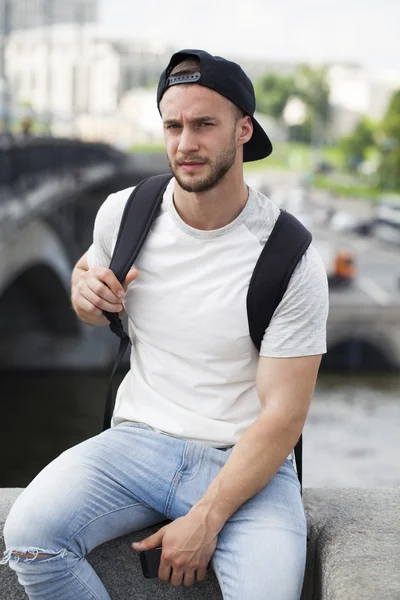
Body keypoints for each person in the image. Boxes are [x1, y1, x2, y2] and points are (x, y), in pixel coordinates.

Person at [2, 49, 329, 599]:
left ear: (244, 129)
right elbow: (89, 277)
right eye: (173, 125)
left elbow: (284, 415)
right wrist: (84, 293)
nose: (185, 143)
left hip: (248, 464)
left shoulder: (289, 256)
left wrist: (207, 516)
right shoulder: (125, 212)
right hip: (137, 444)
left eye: (205, 124)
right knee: (30, 540)